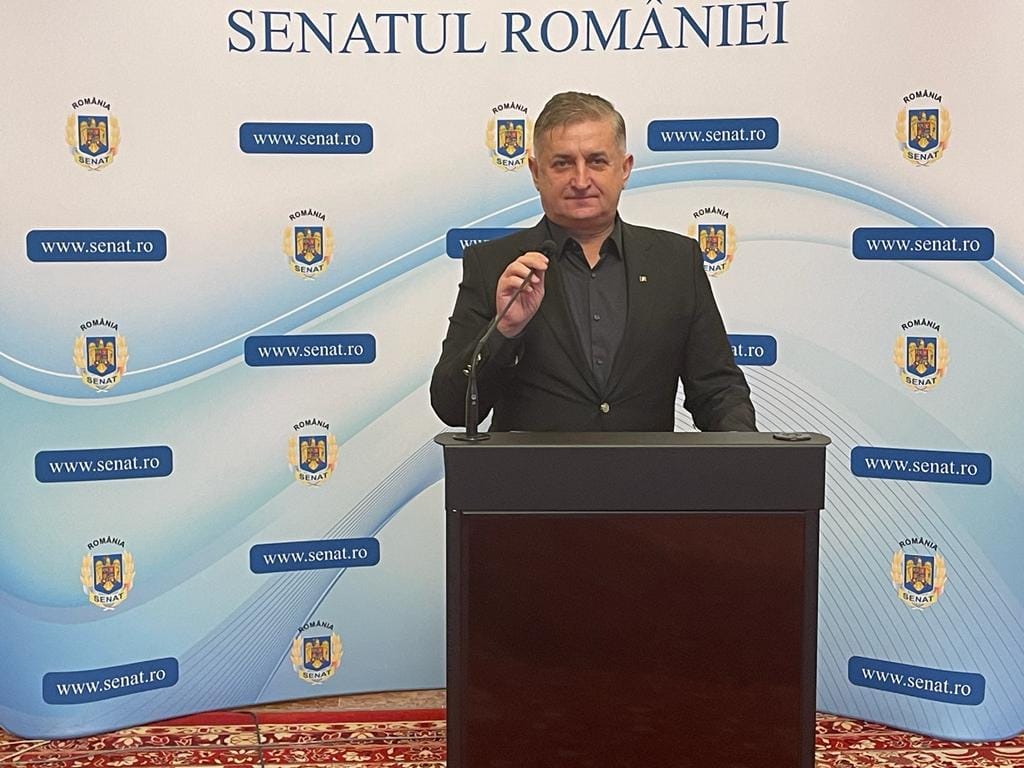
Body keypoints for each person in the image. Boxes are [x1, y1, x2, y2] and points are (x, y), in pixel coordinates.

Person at [430, 91, 755, 432]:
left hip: (647, 468)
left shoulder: (676, 261)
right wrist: (504, 331)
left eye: (597, 161)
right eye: (562, 163)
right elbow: (452, 407)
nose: (581, 181)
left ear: (624, 169)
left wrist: (745, 449)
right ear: (536, 172)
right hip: (531, 469)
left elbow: (718, 390)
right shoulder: (494, 264)